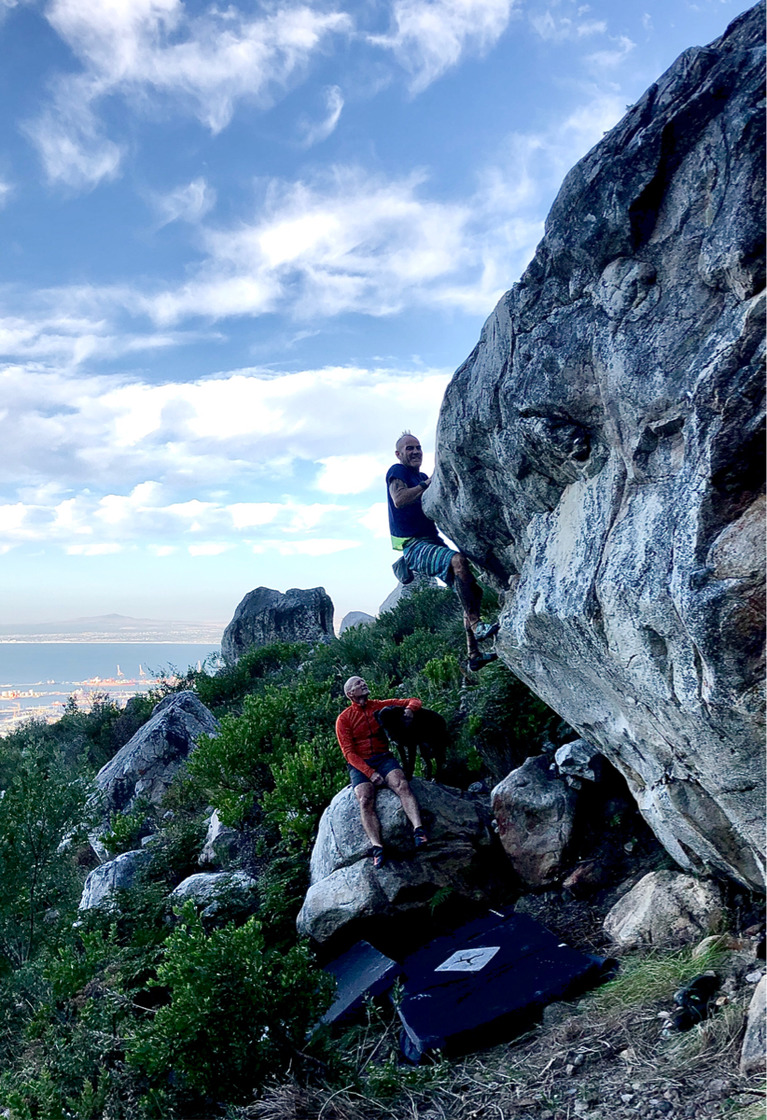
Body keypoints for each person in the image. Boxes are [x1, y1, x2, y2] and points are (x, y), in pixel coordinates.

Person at [386, 431, 498, 670]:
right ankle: (478, 626)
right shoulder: (398, 472)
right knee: (458, 561)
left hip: (432, 541)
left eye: (418, 447)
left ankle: (473, 654)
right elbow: (399, 499)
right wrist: (426, 484)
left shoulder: (422, 476)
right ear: (399, 454)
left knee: (470, 591)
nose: (415, 451)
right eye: (409, 448)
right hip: (414, 545)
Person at [336, 675, 428, 869]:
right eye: (358, 683)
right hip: (360, 763)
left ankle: (419, 830)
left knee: (401, 784)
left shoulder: (379, 706)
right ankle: (377, 847)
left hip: (383, 757)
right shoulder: (344, 719)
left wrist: (410, 710)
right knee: (365, 799)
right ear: (350, 693)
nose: (364, 683)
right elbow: (348, 753)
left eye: (363, 680)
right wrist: (369, 773)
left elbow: (414, 700)